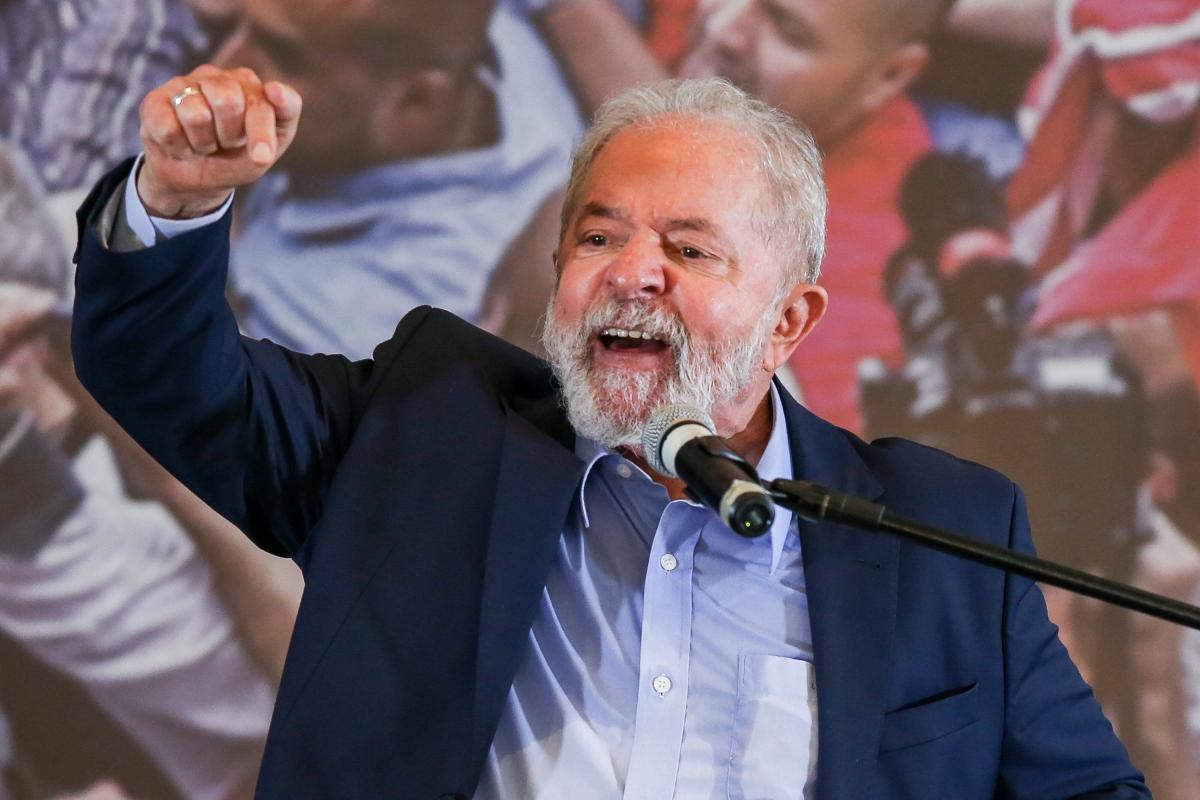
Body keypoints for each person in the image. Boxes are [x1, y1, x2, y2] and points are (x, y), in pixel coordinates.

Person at [69, 69, 1147, 798]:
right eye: (598, 236)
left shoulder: (945, 534)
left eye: (689, 248)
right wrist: (179, 201)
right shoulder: (424, 432)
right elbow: (171, 377)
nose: (632, 272)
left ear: (789, 321)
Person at [206, 0, 582, 359]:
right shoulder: (455, 32)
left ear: (416, 101)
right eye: (239, 27)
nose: (225, 67)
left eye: (282, 57)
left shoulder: (390, 326)